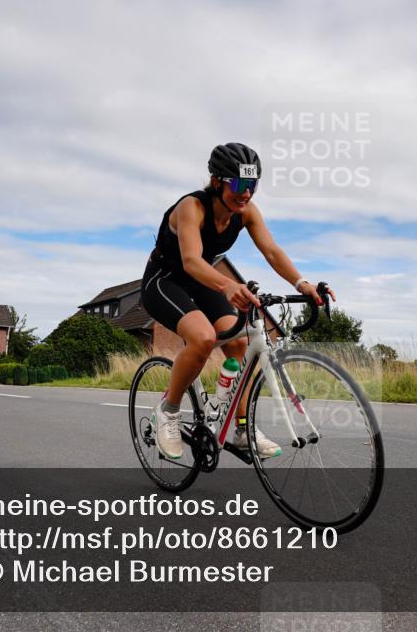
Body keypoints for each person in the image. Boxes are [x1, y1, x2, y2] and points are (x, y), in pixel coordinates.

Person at [141, 142, 335, 460]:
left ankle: (242, 427)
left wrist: (302, 283)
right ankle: (169, 410)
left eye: (253, 185)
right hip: (164, 280)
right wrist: (229, 285)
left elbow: (271, 251)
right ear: (217, 181)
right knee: (203, 338)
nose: (246, 194)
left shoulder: (245, 212)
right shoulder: (193, 207)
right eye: (240, 185)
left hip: (203, 281)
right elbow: (190, 261)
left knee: (239, 343)